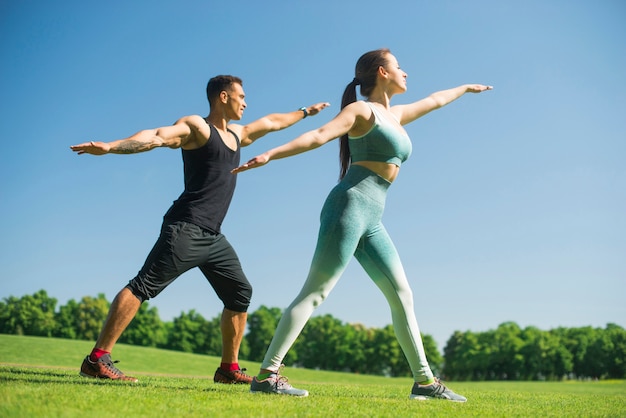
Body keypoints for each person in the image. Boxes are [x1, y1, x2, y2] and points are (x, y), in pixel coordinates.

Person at [232, 49, 492, 400]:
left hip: (373, 217)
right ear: (383, 72)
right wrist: (269, 155)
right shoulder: (361, 111)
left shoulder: (395, 114)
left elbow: (434, 100)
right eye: (399, 66)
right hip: (348, 207)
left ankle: (426, 382)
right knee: (316, 291)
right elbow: (318, 135)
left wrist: (464, 88)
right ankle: (267, 374)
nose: (406, 72)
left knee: (402, 295)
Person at [70, 75, 329, 384]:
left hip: (213, 236)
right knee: (143, 286)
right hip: (186, 227)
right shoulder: (197, 127)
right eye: (241, 97)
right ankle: (97, 359)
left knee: (240, 293)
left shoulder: (238, 134)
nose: (245, 103)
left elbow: (273, 122)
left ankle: (228, 370)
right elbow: (156, 136)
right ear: (223, 97)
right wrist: (111, 147)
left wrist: (304, 112)